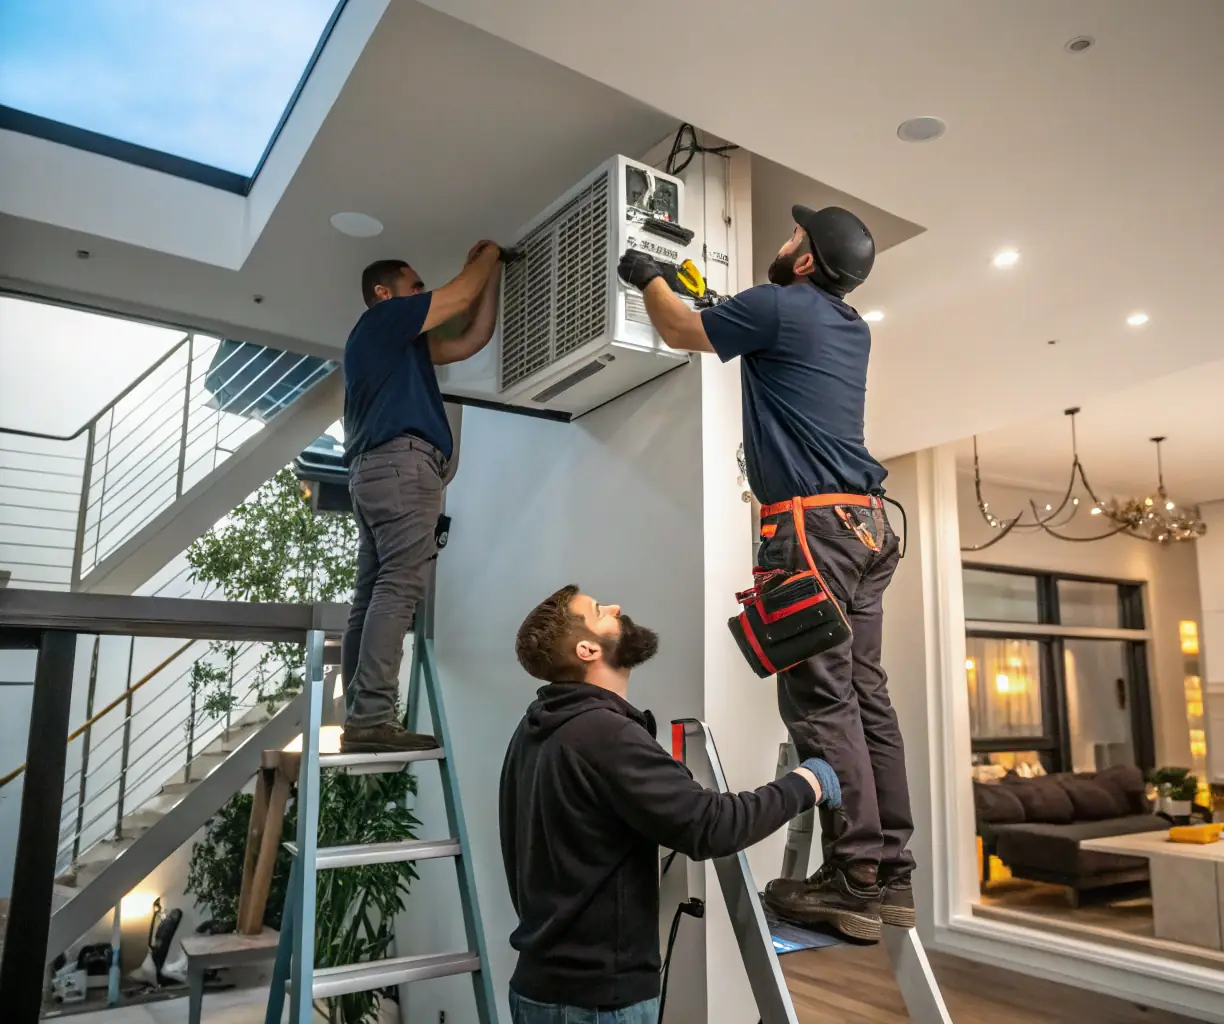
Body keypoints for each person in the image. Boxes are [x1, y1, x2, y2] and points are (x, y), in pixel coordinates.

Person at [615, 205, 914, 940]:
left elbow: (681, 331)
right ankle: (889, 874)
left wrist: (647, 275)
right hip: (870, 526)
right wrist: (724, 306)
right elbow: (754, 335)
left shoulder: (777, 307)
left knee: (820, 702)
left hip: (811, 529)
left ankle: (851, 878)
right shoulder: (846, 326)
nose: (784, 244)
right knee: (866, 697)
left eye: (793, 238)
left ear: (807, 261)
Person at [500, 585, 841, 1022]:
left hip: (543, 989)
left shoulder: (537, 728)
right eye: (599, 611)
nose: (616, 606)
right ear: (587, 649)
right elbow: (713, 825)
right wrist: (809, 781)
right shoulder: (603, 734)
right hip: (595, 1003)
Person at [340, 244, 503, 753]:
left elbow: (473, 337)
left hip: (374, 471)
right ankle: (369, 718)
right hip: (401, 465)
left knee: (372, 594)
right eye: (415, 286)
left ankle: (359, 716)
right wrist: (486, 254)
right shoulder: (384, 320)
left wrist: (492, 276)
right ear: (384, 294)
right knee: (398, 587)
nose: (422, 293)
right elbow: (456, 298)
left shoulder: (399, 346)